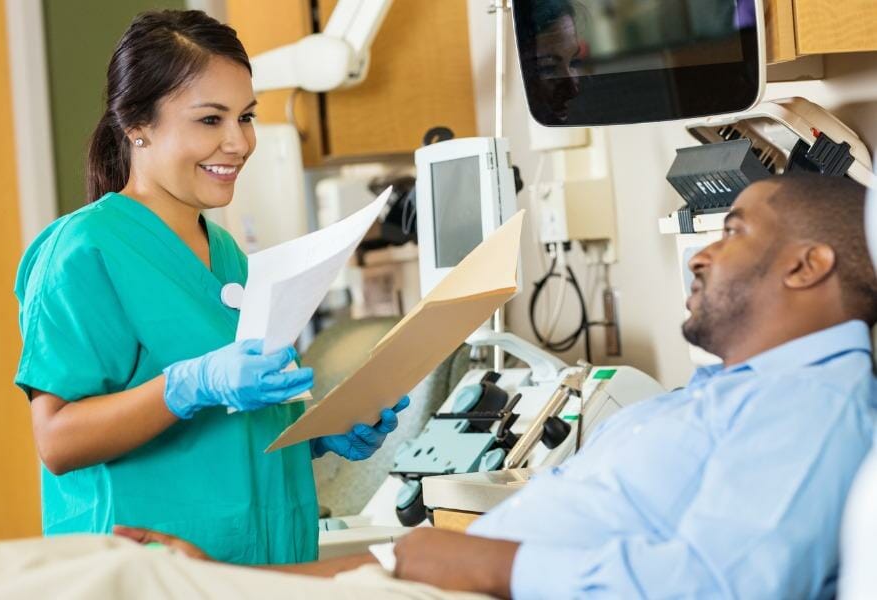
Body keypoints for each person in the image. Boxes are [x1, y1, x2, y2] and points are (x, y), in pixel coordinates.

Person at [100, 173, 877, 599]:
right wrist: (221, 579)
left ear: (808, 266)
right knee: (121, 579)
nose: (699, 255)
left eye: (733, 228)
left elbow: (717, 586)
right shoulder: (709, 401)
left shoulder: (809, 408)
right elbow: (410, 564)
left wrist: (480, 566)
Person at [14, 9, 406, 566]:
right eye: (210, 120)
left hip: (259, 563)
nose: (238, 143)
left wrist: (316, 432)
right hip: (150, 573)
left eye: (245, 117)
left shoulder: (225, 255)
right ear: (137, 126)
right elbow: (57, 440)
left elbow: (227, 425)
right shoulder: (83, 251)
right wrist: (188, 385)